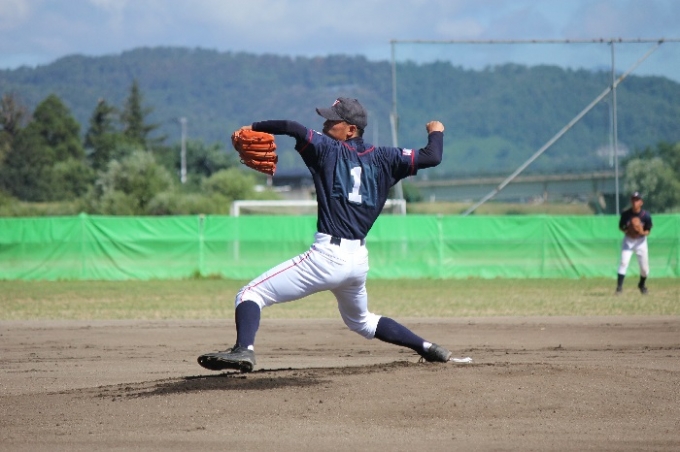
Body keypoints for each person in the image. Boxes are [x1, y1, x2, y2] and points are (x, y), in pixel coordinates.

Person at [198, 97, 453, 372]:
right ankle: (428, 348)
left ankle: (244, 350)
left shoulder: (327, 149)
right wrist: (436, 131)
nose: (325, 124)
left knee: (249, 294)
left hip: (327, 257)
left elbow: (292, 127)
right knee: (362, 321)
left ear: (351, 129)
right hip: (358, 261)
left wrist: (254, 126)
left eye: (333, 120)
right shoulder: (387, 157)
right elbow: (432, 156)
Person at [616, 192, 653, 294]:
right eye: (633, 199)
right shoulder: (626, 214)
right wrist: (627, 231)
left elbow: (648, 230)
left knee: (644, 270)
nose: (634, 202)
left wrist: (642, 232)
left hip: (641, 242)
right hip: (628, 241)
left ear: (641, 202)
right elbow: (621, 226)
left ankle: (641, 284)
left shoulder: (646, 216)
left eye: (637, 200)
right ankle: (619, 288)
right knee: (623, 262)